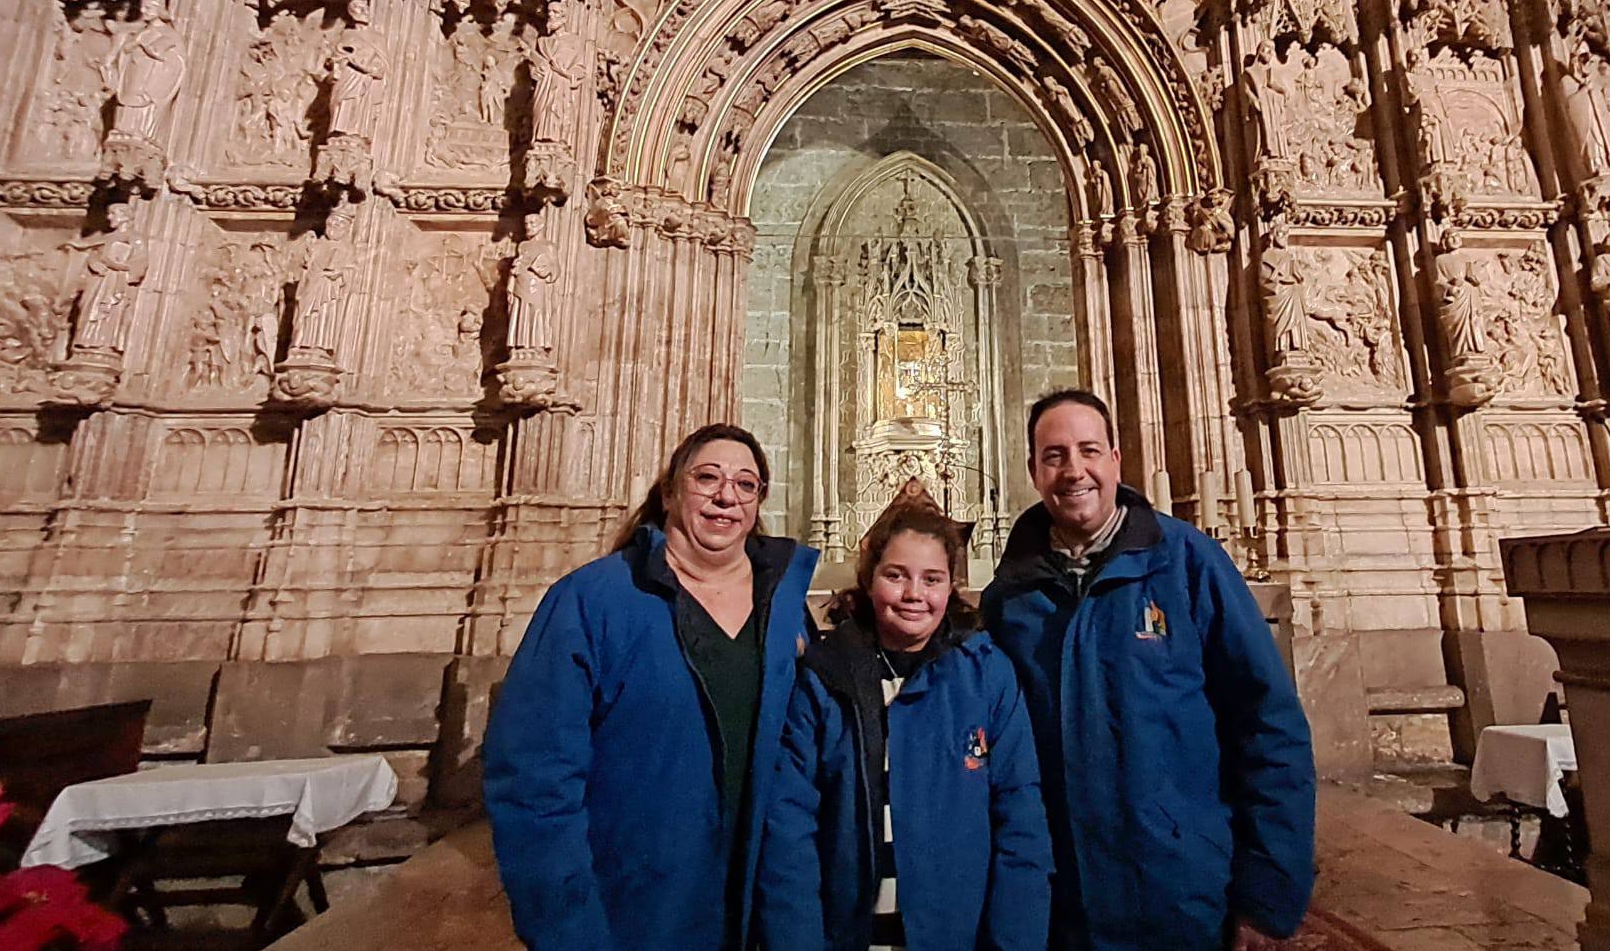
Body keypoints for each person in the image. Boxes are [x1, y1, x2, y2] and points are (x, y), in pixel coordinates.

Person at [981, 389, 1316, 951]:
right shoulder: (1010, 598)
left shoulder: (1187, 565)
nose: (1074, 470)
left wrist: (1266, 893)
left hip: (1178, 892)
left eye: (1089, 450)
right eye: (1055, 455)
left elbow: (1269, 726)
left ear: (1115, 458)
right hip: (1062, 902)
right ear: (1033, 472)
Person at [484, 424, 819, 951]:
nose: (726, 495)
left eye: (745, 484)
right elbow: (535, 782)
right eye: (706, 477)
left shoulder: (784, 611)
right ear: (669, 492)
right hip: (636, 911)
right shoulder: (591, 602)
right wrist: (570, 932)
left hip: (758, 911)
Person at [758, 492, 1051, 951]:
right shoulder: (825, 677)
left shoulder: (985, 673)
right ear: (870, 578)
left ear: (951, 586)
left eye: (932, 579)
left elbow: (1021, 819)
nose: (914, 594)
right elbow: (790, 828)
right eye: (896, 575)